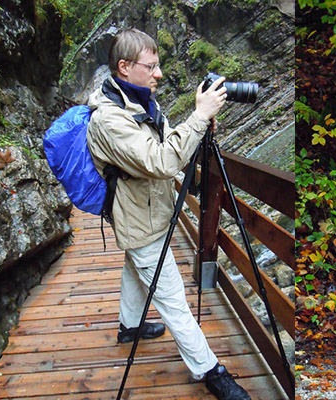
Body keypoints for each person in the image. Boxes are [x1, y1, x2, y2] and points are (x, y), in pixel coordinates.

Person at [86, 28, 251, 400]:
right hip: (138, 217)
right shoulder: (109, 120)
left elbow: (162, 143)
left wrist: (199, 123)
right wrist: (199, 116)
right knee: (173, 300)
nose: (159, 73)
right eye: (152, 66)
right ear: (125, 67)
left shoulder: (141, 101)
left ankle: (129, 327)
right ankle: (210, 371)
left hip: (147, 212)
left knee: (136, 265)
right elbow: (160, 161)